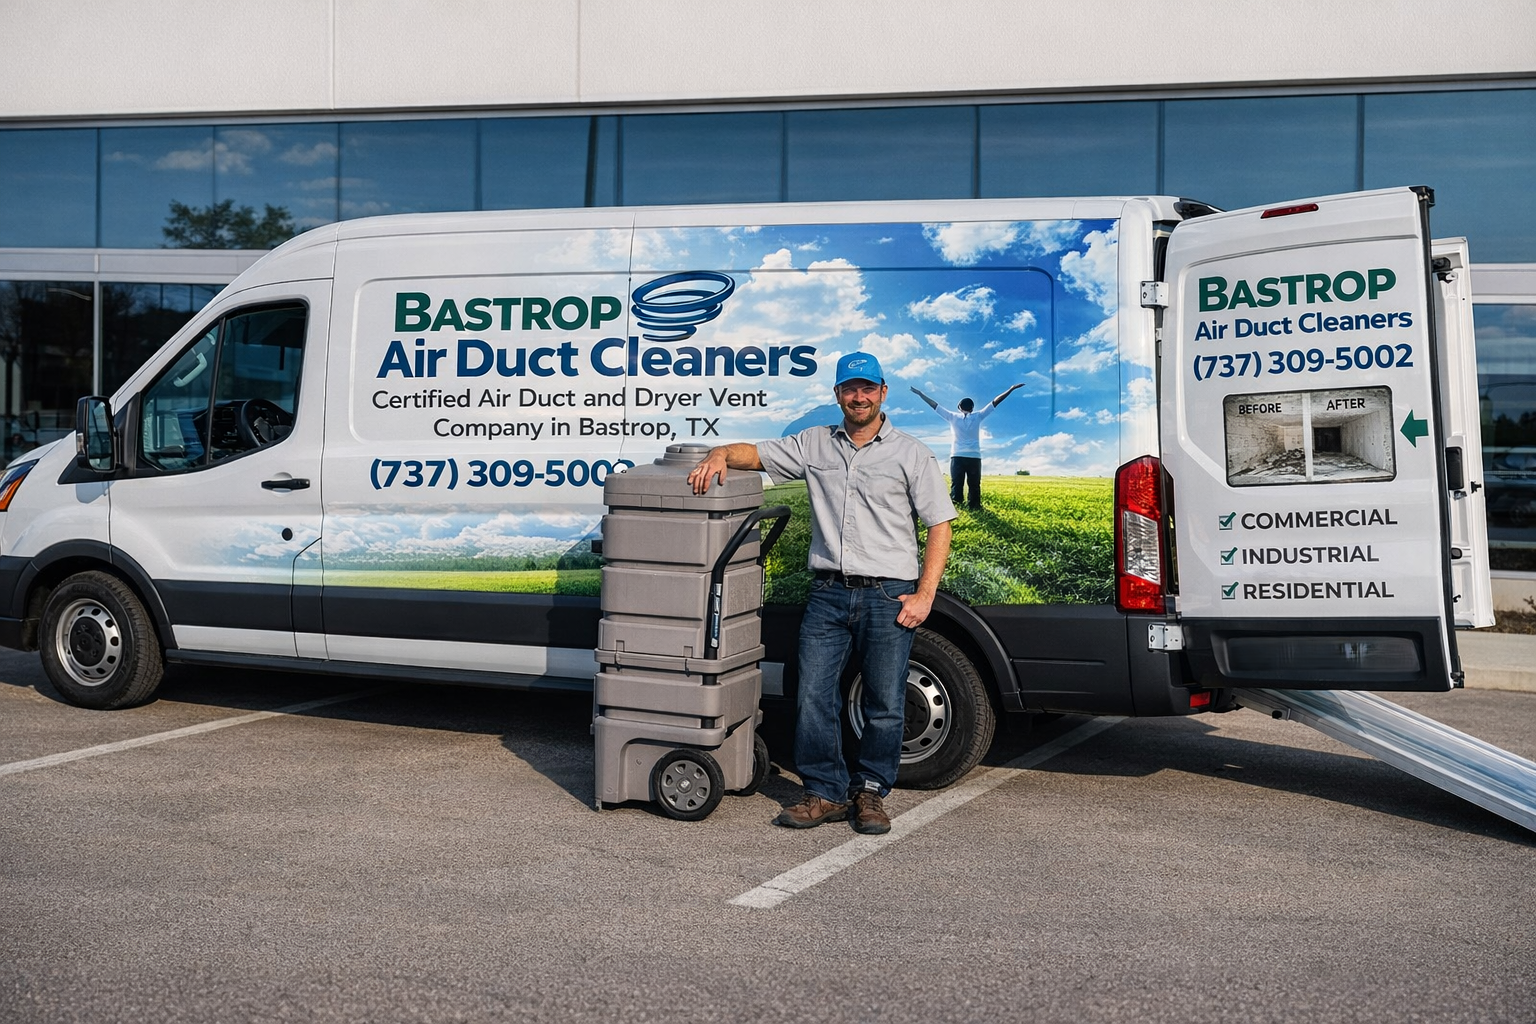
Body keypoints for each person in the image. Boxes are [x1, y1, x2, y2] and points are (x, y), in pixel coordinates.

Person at [688, 352, 956, 835]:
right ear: (837, 395)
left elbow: (940, 524)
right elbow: (757, 454)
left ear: (883, 392)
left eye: (868, 388)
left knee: (885, 702)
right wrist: (719, 454)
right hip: (828, 594)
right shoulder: (814, 444)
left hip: (887, 596)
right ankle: (825, 792)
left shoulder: (912, 453)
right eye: (850, 388)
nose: (859, 397)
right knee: (812, 695)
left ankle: (870, 792)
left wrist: (925, 595)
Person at [910, 382, 1025, 510]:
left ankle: (957, 503)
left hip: (957, 455)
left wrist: (920, 394)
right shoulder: (978, 416)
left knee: (956, 483)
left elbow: (934, 405)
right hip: (974, 456)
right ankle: (974, 505)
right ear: (972, 408)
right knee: (974, 484)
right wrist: (1011, 389)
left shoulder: (952, 417)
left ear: (959, 407)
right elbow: (995, 402)